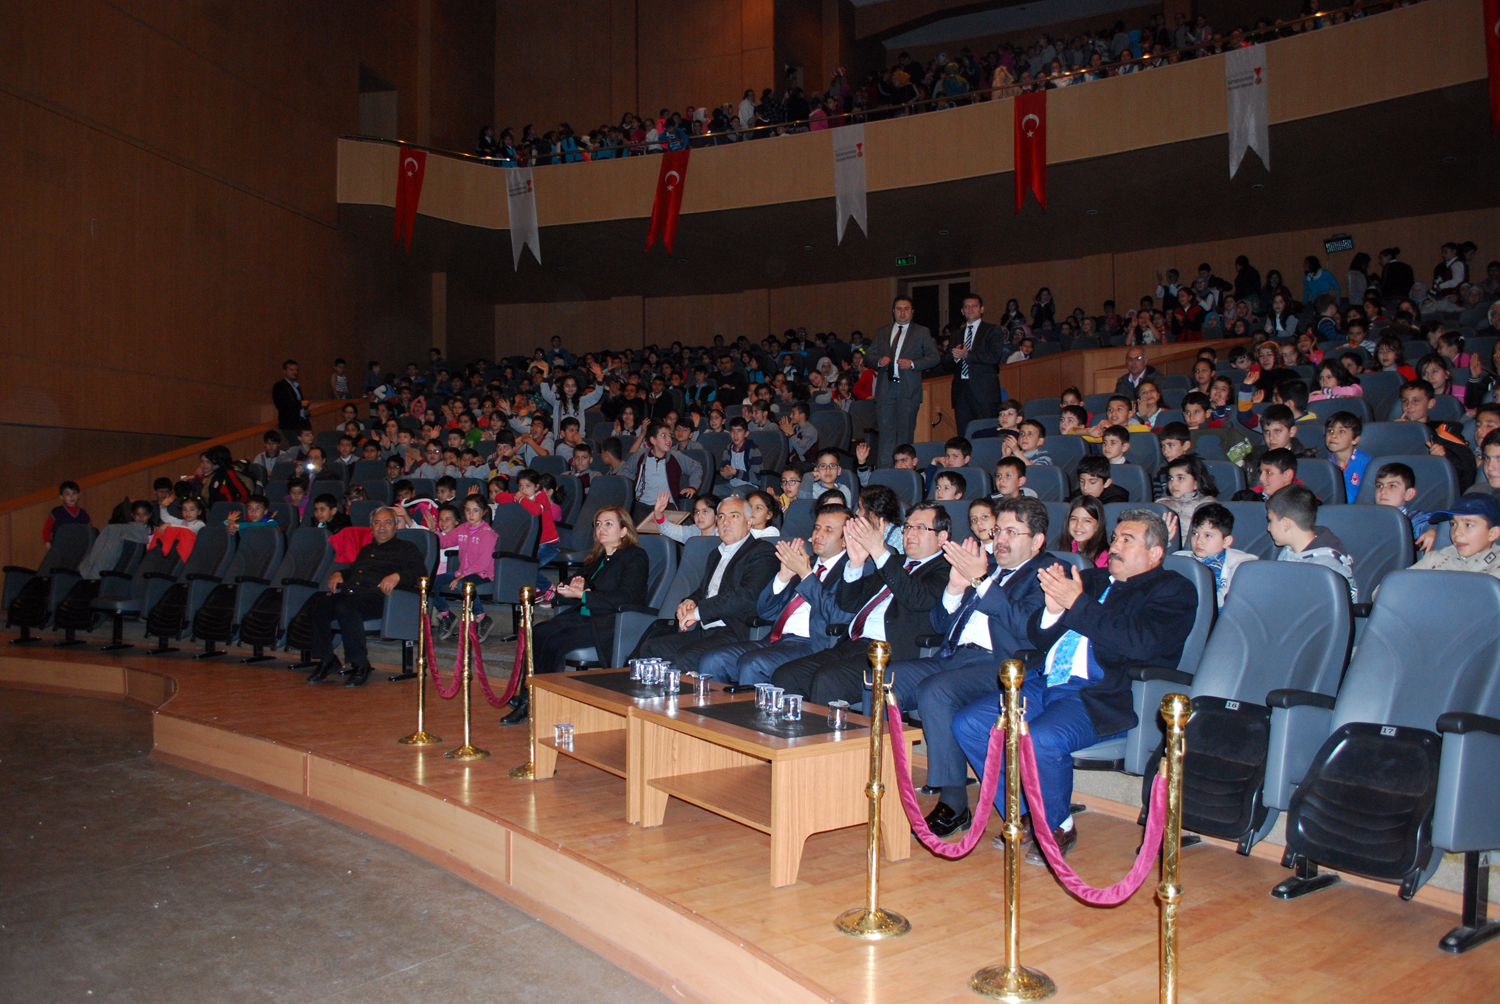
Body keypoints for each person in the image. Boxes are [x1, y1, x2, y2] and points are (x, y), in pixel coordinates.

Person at [953, 509, 1197, 862]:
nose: (1115, 546)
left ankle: (1059, 826)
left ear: (1155, 553)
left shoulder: (1173, 589)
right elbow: (1039, 637)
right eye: (1115, 538)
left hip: (1098, 693)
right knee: (971, 723)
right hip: (1045, 680)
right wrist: (1053, 612)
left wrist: (1076, 603)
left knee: (1041, 738)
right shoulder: (1091, 579)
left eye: (1127, 540)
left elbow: (1141, 643)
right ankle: (1025, 812)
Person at [895, 497, 1062, 836]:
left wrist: (981, 580)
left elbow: (1027, 626)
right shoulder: (988, 567)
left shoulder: (1049, 572)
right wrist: (955, 587)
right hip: (954, 656)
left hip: (1001, 665)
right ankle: (877, 773)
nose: (1001, 539)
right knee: (885, 680)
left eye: (1012, 532)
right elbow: (940, 624)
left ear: (1037, 540)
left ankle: (954, 803)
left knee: (936, 691)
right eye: (998, 530)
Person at [770, 503, 952, 707]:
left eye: (920, 527)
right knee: (787, 674)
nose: (910, 533)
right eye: (908, 527)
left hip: (892, 652)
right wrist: (856, 563)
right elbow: (849, 604)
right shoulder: (894, 562)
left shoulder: (946, 569)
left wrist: (878, 551)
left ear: (941, 537)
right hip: (853, 644)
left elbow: (916, 597)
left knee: (828, 679)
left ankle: (826, 729)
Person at [698, 505, 852, 686]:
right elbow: (765, 612)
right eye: (817, 528)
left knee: (752, 664)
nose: (819, 535)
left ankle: (749, 706)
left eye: (828, 530)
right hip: (775, 639)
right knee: (712, 659)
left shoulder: (851, 572)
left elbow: (838, 616)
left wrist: (806, 574)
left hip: (811, 645)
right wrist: (783, 577)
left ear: (845, 540)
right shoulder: (802, 562)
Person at [632, 498, 779, 674]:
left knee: (687, 656)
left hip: (736, 630)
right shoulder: (715, 554)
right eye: (721, 517)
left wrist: (698, 612)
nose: (726, 522)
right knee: (652, 647)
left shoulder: (762, 551)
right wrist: (690, 601)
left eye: (734, 516)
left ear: (749, 522)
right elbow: (704, 591)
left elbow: (746, 596)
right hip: (709, 630)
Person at [303, 507, 429, 687]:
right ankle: (327, 660)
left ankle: (360, 664)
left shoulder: (406, 548)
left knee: (346, 607)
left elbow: (420, 573)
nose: (382, 527)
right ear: (372, 528)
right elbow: (356, 571)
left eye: (387, 523)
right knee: (318, 603)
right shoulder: (367, 549)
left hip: (382, 599)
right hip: (354, 593)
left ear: (395, 527)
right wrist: (341, 573)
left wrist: (398, 576)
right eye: (377, 523)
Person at [526, 507, 651, 686]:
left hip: (610, 622)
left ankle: (545, 694)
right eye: (598, 524)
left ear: (624, 531)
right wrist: (570, 588)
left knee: (554, 642)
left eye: (608, 524)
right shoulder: (597, 559)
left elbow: (627, 596)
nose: (601, 528)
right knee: (537, 632)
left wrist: (584, 594)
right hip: (585, 616)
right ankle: (528, 694)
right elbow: (569, 584)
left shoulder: (635, 556)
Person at [868, 296, 939, 466]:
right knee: (885, 436)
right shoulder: (882, 332)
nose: (902, 312)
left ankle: (904, 472)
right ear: (893, 311)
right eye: (899, 309)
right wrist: (879, 361)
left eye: (906, 309)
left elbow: (934, 357)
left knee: (905, 435)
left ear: (912, 312)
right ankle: (885, 473)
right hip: (886, 389)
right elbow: (868, 356)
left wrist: (913, 364)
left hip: (908, 390)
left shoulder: (921, 332)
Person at [1268, 485, 1356, 599]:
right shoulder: (1288, 551)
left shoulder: (1326, 567)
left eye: (1270, 520)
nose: (1268, 528)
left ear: (1286, 524)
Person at [432, 495, 499, 641]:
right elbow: (445, 542)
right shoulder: (463, 528)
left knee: (463, 584)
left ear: (483, 512)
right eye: (468, 510)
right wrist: (432, 534)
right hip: (462, 572)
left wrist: (462, 575)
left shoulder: (486, 533)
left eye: (475, 511)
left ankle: (482, 618)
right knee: (433, 582)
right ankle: (446, 615)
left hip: (482, 574)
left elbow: (483, 563)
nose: (470, 514)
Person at [1396, 380, 1477, 492]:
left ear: (1430, 403)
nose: (1409, 406)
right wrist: (1396, 432)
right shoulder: (1393, 430)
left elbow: (1465, 466)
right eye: (1405, 401)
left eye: (1416, 401)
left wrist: (1443, 458)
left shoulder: (1444, 430)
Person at [1174, 502, 1256, 606]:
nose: (1199, 541)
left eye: (1208, 535)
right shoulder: (1179, 559)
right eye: (1195, 533)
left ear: (1226, 541)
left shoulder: (1242, 565)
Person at [948, 293, 1006, 435]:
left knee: (987, 433)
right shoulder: (956, 334)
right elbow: (946, 363)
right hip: (961, 392)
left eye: (974, 306)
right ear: (962, 311)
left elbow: (994, 357)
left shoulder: (992, 330)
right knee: (964, 435)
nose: (970, 309)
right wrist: (955, 357)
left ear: (982, 309)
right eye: (967, 306)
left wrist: (967, 355)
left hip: (984, 391)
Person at [1412, 495, 1500, 579]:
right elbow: (1406, 583)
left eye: (1468, 525)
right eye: (1453, 524)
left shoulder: (1496, 567)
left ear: (1492, 533)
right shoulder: (1436, 558)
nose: (1457, 532)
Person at [1324, 412, 1371, 502]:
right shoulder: (1325, 466)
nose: (1333, 435)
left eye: (1342, 431)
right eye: (1330, 431)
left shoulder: (1367, 464)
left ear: (1355, 439)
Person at [1056, 496, 1110, 567]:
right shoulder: (1067, 547)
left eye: (1086, 521)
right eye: (1074, 519)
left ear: (1098, 525)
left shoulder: (1104, 557)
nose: (1078, 526)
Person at [43, 480, 91, 546]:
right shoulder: (57, 512)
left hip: (78, 548)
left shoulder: (83, 514)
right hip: (60, 547)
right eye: (67, 494)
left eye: (74, 493)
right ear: (61, 497)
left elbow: (90, 531)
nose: (71, 496)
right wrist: (48, 545)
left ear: (79, 495)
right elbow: (46, 529)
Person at [273, 359, 311, 431]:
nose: (295, 372)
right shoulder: (280, 386)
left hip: (301, 423)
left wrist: (306, 410)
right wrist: (300, 404)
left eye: (296, 370)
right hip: (289, 424)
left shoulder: (297, 387)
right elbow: (283, 405)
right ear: (284, 371)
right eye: (291, 370)